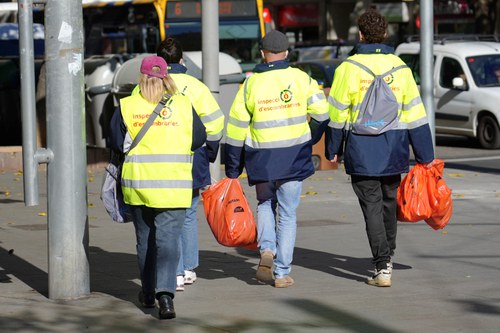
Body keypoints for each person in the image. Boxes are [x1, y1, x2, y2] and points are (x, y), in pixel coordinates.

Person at [326, 8, 435, 287]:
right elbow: (415, 114)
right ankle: (389, 256)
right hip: (393, 147)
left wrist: (332, 149)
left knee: (371, 206)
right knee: (389, 202)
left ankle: (382, 264)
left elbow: (337, 114)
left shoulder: (347, 69)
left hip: (361, 150)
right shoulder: (401, 68)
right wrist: (425, 155)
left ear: (361, 34)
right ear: (385, 34)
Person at [224, 30, 330, 288]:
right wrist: (310, 139)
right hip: (294, 157)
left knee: (264, 204)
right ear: (287, 52)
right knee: (288, 214)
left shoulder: (250, 83)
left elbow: (236, 127)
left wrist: (232, 166)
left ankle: (267, 250)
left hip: (262, 159)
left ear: (262, 53)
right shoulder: (302, 79)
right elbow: (323, 114)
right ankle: (282, 273)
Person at [109, 55, 207, 319]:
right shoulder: (185, 105)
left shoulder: (127, 106)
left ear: (140, 77)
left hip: (139, 185)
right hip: (174, 186)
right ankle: (166, 298)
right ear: (166, 77)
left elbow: (116, 142)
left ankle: (148, 292)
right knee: (168, 242)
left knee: (145, 242)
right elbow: (199, 138)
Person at [154, 37, 225, 291]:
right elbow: (216, 123)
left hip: (158, 160)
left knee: (167, 216)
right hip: (193, 158)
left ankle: (174, 272)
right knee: (188, 214)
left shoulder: (152, 85)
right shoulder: (196, 86)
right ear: (182, 60)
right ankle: (188, 268)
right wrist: (210, 151)